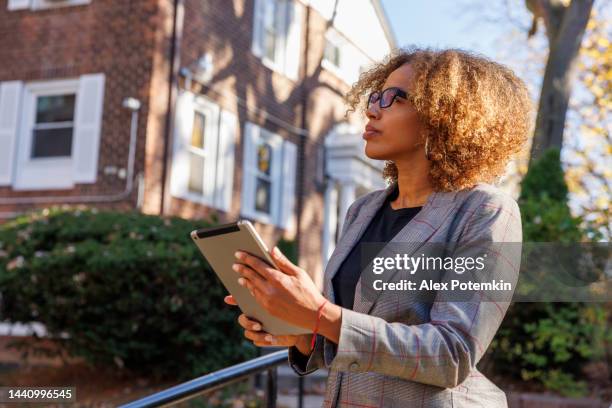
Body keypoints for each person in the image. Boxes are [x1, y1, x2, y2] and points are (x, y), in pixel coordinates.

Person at [224, 46, 533, 407]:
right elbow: (356, 337)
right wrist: (302, 331)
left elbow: (452, 354)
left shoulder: (485, 210)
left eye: (394, 98)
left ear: (445, 114)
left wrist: (321, 314)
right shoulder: (363, 210)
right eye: (375, 96)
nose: (372, 109)